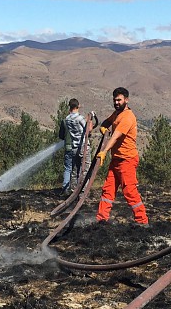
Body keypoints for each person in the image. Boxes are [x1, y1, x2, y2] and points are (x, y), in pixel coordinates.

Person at [96, 87, 148, 225]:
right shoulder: (117, 114)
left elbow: (115, 136)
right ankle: (102, 219)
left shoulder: (127, 117)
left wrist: (104, 151)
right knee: (108, 190)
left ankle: (142, 221)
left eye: (119, 100)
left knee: (129, 191)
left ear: (126, 100)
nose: (116, 102)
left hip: (127, 160)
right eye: (115, 100)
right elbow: (107, 122)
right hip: (116, 159)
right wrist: (103, 126)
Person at [58, 98, 87, 196]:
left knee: (68, 168)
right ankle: (79, 190)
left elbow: (61, 136)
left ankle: (65, 189)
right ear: (78, 106)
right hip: (78, 147)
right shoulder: (79, 119)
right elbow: (87, 131)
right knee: (79, 168)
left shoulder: (65, 120)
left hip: (68, 147)